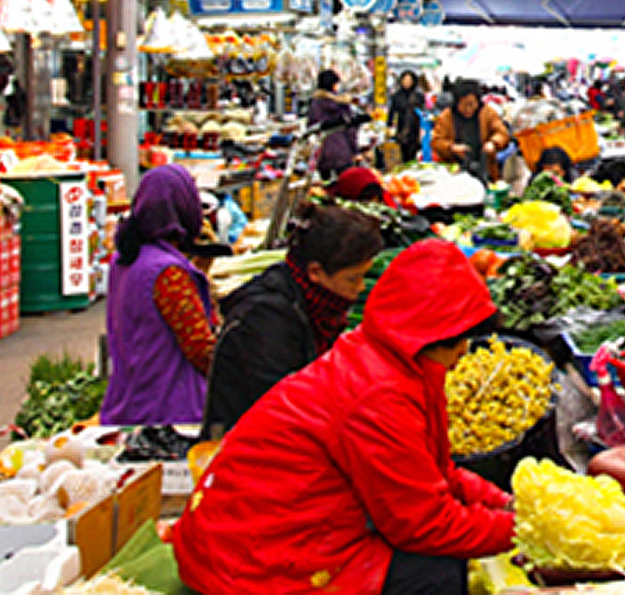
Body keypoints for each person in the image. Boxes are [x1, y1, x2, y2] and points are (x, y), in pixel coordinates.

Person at [172, 240, 515, 595]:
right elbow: (423, 524)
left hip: (253, 534)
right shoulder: (380, 395)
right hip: (253, 560)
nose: (463, 352)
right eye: (454, 342)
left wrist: (504, 503)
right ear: (422, 336)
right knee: (435, 572)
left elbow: (431, 471)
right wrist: (519, 529)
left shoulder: (383, 354)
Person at [202, 202, 382, 436]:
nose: (360, 288)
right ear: (315, 272)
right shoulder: (268, 319)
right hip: (249, 448)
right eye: (352, 279)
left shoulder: (317, 308)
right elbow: (283, 406)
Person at [101, 165, 215, 425]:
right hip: (170, 413)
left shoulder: (124, 259)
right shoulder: (169, 274)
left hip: (128, 404)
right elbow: (202, 351)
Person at [431, 78, 509, 181]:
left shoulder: (488, 113)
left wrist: (493, 143)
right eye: (463, 105)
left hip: (485, 168)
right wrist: (452, 147)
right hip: (455, 170)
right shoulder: (446, 117)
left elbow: (501, 133)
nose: (468, 109)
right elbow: (436, 141)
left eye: (472, 104)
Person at [308, 69, 359, 180]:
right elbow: (350, 130)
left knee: (325, 189)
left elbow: (311, 128)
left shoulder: (315, 104)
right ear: (334, 85)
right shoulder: (342, 104)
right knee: (346, 186)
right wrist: (355, 151)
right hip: (342, 151)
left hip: (322, 153)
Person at [388, 70, 424, 163]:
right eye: (405, 80)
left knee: (415, 154)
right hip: (402, 128)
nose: (407, 82)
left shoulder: (418, 95)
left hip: (415, 128)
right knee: (403, 153)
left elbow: (423, 112)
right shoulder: (397, 95)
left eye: (409, 80)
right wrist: (389, 125)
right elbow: (392, 111)